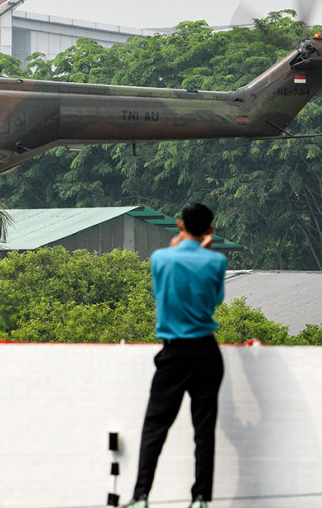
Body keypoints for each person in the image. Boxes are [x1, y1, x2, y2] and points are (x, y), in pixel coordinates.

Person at [124, 203, 227, 508]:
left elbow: (160, 294)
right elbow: (215, 300)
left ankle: (141, 496)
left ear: (180, 225)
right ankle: (200, 499)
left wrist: (176, 246)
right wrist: (204, 250)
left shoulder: (161, 258)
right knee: (204, 429)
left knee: (155, 426)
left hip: (174, 352)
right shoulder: (216, 261)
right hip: (206, 351)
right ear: (209, 230)